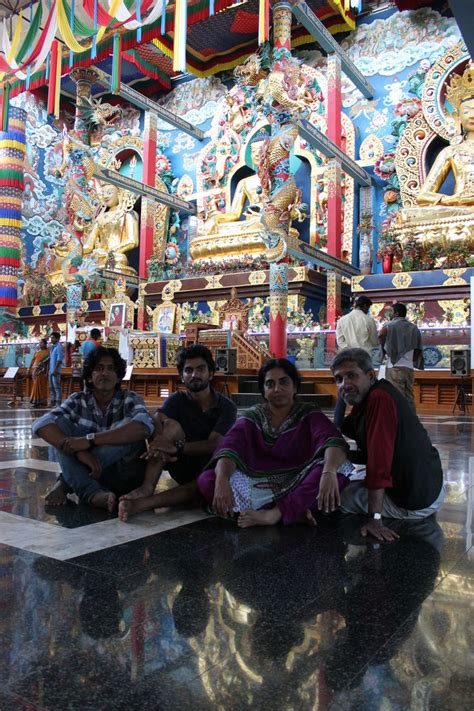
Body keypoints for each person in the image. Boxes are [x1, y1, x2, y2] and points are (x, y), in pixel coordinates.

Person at [119, 358, 351, 525]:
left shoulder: (309, 414)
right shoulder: (253, 416)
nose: (277, 389)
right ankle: (295, 511)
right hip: (257, 482)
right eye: (270, 384)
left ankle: (273, 515)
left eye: (284, 382)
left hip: (298, 477)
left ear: (295, 387)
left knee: (338, 469)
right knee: (208, 480)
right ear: (263, 390)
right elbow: (228, 448)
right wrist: (221, 480)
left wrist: (328, 472)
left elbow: (333, 441)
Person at [330, 348, 444, 542]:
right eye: (339, 379)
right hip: (430, 485)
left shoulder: (379, 399)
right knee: (349, 474)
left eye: (351, 376)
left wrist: (375, 519)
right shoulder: (375, 393)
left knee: (331, 495)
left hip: (414, 500)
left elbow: (379, 463)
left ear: (370, 375)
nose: (345, 385)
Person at [32, 347, 154, 511]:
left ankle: (66, 482)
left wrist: (89, 441)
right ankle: (92, 494)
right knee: (60, 425)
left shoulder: (129, 399)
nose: (105, 373)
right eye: (99, 368)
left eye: (111, 369)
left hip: (125, 475)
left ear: (118, 377)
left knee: (127, 426)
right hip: (94, 477)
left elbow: (143, 428)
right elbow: (40, 424)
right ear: (89, 376)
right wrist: (80, 452)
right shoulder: (78, 400)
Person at [119, 344, 237, 506]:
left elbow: (214, 444)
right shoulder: (177, 399)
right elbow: (156, 418)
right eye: (188, 370)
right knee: (169, 425)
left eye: (200, 369)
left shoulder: (227, 406)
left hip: (212, 467)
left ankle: (147, 503)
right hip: (180, 464)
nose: (194, 375)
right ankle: (147, 487)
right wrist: (161, 442)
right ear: (182, 376)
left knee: (204, 482)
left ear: (211, 374)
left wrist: (177, 448)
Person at [334, 296, 379, 428]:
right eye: (368, 308)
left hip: (346, 358)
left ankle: (337, 423)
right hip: (364, 359)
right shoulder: (368, 319)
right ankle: (364, 423)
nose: (367, 310)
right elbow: (375, 341)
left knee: (343, 389)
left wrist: (348, 351)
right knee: (366, 390)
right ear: (364, 306)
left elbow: (340, 341)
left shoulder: (342, 320)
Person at [378, 302, 424, 409]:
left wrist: (384, 350)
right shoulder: (414, 328)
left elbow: (381, 335)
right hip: (409, 368)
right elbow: (418, 348)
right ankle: (412, 421)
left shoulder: (390, 325)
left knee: (396, 397)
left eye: (392, 312)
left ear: (397, 313)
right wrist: (412, 360)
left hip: (394, 367)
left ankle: (400, 422)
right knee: (409, 397)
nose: (390, 315)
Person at [28, 339, 50, 407]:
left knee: (41, 386)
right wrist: (29, 368)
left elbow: (48, 363)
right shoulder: (37, 352)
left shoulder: (48, 352)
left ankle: (41, 402)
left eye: (41, 343)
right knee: (35, 385)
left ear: (45, 344)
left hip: (42, 371)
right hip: (35, 370)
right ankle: (35, 401)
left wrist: (47, 372)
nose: (40, 344)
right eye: (39, 343)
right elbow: (32, 361)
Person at [49, 331, 64, 407]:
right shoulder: (52, 348)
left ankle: (58, 403)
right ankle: (53, 402)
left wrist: (55, 369)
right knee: (51, 387)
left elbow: (59, 360)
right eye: (51, 338)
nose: (51, 339)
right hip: (50, 371)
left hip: (55, 371)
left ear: (58, 339)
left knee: (57, 387)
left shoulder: (59, 347)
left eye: (53, 338)